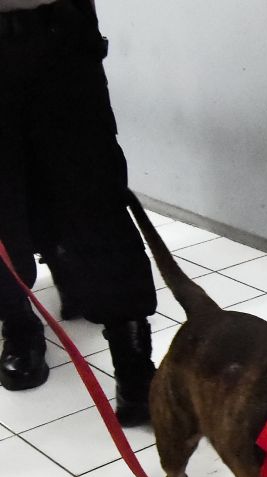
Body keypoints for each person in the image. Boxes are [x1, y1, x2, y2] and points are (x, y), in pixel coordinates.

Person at [0, 0, 157, 426]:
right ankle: (19, 323)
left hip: (60, 30)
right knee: (4, 205)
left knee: (95, 196)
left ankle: (133, 360)